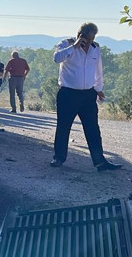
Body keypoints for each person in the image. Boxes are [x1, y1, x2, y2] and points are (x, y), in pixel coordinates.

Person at [50, 23, 121, 171]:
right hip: (68, 93)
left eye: (92, 38)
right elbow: (56, 58)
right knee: (64, 127)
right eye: (87, 38)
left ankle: (100, 162)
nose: (89, 42)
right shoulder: (66, 44)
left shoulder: (95, 49)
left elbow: (98, 71)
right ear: (79, 35)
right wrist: (74, 47)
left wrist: (98, 89)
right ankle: (58, 158)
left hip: (88, 94)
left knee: (93, 129)